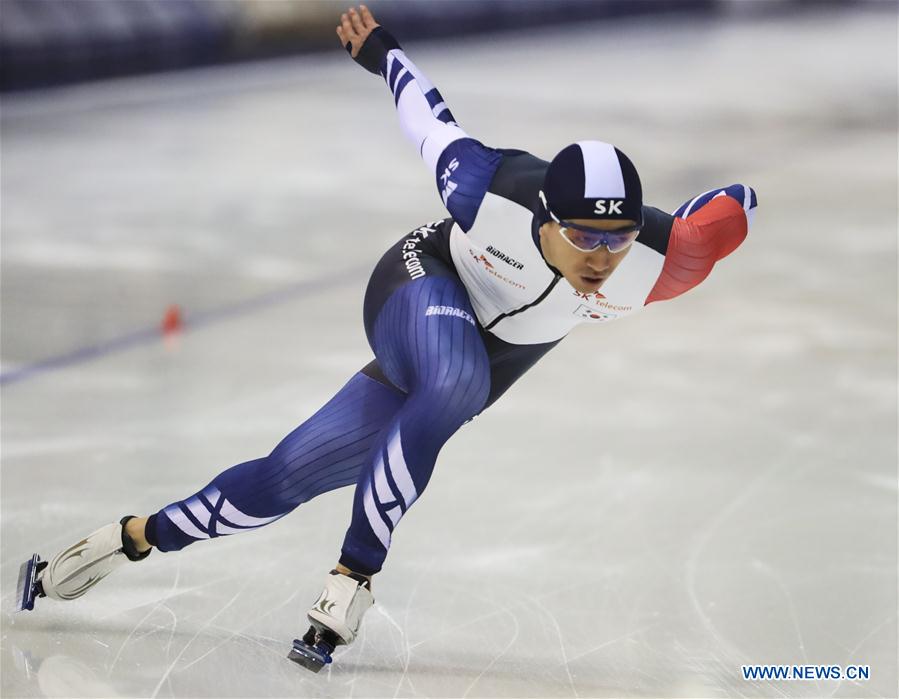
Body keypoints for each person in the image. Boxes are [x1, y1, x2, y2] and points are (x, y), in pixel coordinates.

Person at [16, 5, 757, 672]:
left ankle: (129, 537)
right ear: (544, 217)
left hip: (491, 356)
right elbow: (430, 121)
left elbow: (721, 216)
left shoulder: (661, 262)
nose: (602, 256)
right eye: (584, 235)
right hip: (420, 283)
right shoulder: (487, 189)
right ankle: (353, 576)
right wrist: (382, 51)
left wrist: (737, 202)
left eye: (618, 237)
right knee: (454, 379)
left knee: (283, 479)